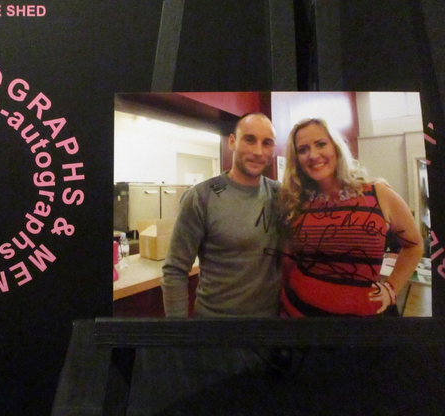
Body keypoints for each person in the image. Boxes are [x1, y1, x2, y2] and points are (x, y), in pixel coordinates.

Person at [278, 118, 423, 317]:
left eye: (321, 144)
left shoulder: (378, 193)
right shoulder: (296, 201)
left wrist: (391, 288)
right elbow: (287, 261)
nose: (313, 155)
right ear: (297, 160)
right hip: (296, 314)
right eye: (303, 150)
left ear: (336, 147)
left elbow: (414, 245)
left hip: (359, 325)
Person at [161, 113, 281, 317]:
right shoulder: (200, 197)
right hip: (215, 325)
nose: (258, 151)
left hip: (270, 324)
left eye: (266, 143)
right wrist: (178, 332)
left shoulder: (280, 194)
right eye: (249, 139)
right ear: (232, 142)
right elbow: (175, 271)